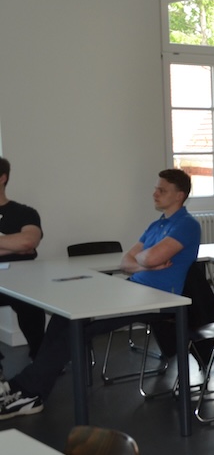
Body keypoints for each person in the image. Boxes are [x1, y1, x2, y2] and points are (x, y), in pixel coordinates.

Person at [0, 169, 201, 418]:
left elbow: (148, 257)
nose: (155, 193)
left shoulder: (187, 225)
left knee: (77, 328)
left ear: (179, 195)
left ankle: (27, 391)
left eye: (162, 190)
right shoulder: (157, 225)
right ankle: (29, 388)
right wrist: (146, 264)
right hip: (135, 289)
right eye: (156, 188)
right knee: (64, 317)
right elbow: (126, 262)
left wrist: (145, 260)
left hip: (159, 299)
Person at [0, 157, 46, 373]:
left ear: (3, 178)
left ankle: (41, 357)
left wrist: (22, 245)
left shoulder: (25, 213)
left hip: (23, 279)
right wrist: (14, 246)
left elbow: (28, 242)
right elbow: (22, 245)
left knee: (30, 305)